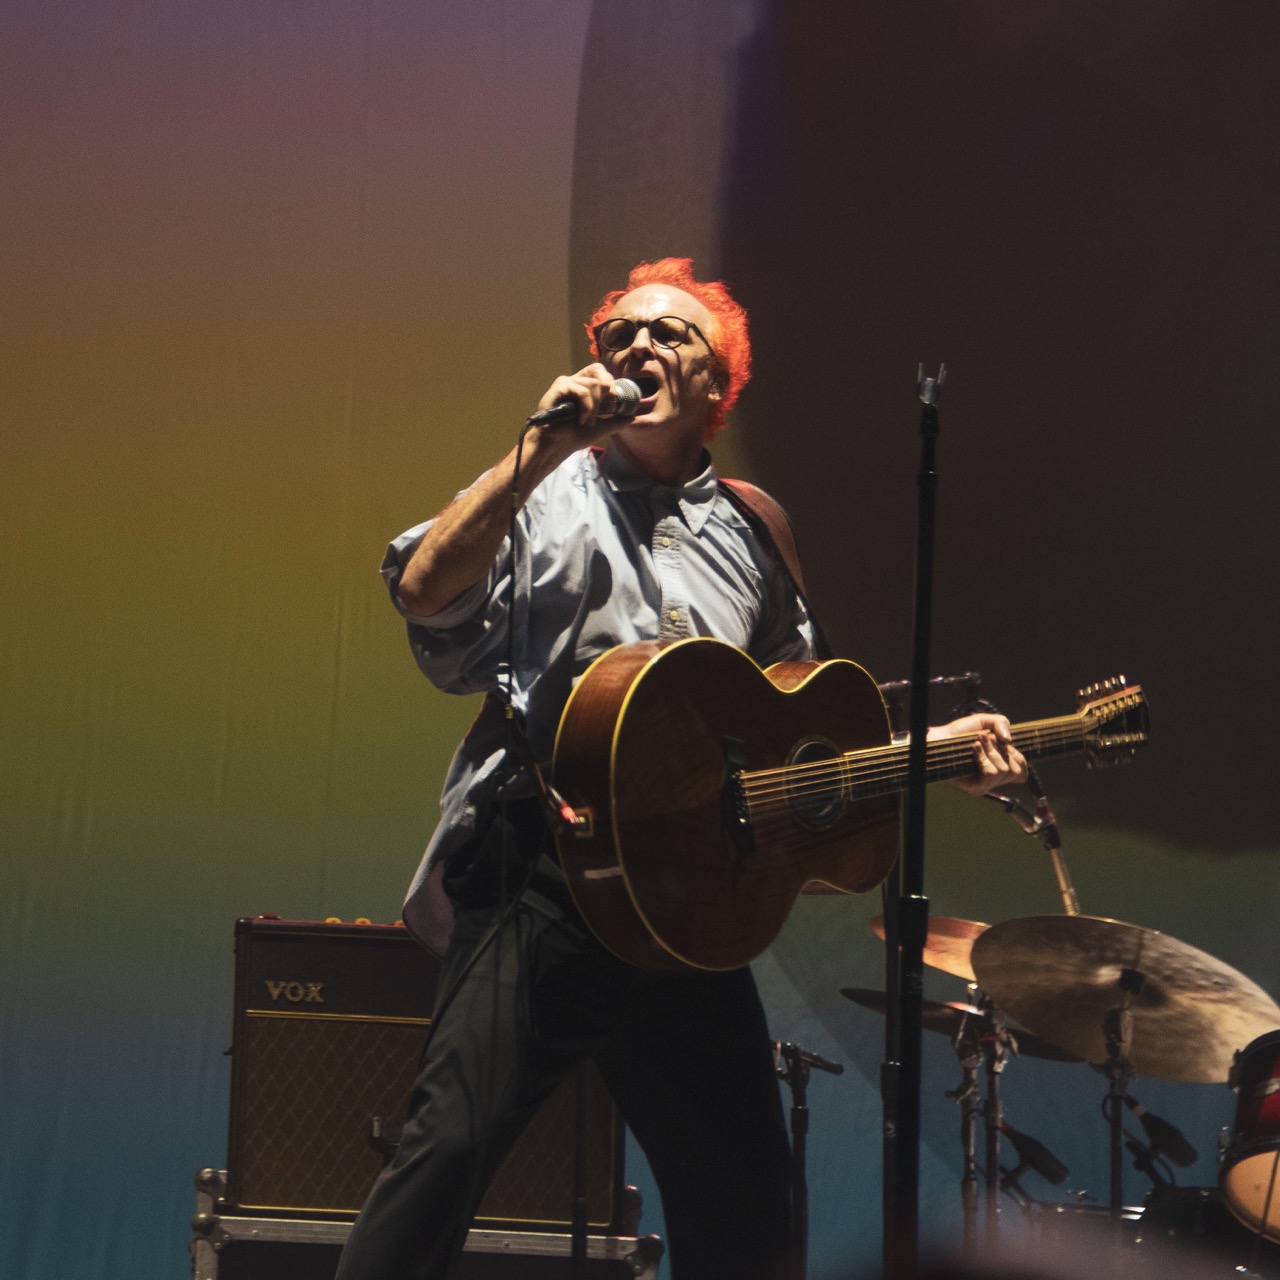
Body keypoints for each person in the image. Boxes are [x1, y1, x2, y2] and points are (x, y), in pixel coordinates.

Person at [335, 258, 1027, 1280]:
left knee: (746, 1207)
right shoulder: (543, 490)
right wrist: (538, 449)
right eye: (619, 334)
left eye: (670, 334)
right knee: (445, 1151)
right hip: (545, 875)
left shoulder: (755, 529)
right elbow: (426, 591)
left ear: (717, 385)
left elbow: (797, 726)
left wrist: (937, 754)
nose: (637, 347)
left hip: (685, 905)